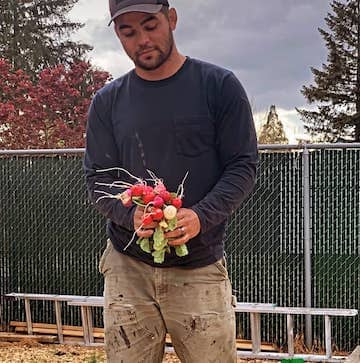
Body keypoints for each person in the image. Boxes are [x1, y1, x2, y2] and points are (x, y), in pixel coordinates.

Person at [83, 0, 258, 362]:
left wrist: (200, 216)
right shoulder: (107, 102)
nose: (141, 40)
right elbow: (98, 179)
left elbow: (242, 166)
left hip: (200, 268)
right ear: (118, 35)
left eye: (150, 25)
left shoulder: (219, 86)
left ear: (172, 18)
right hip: (127, 268)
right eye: (127, 32)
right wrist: (128, 216)